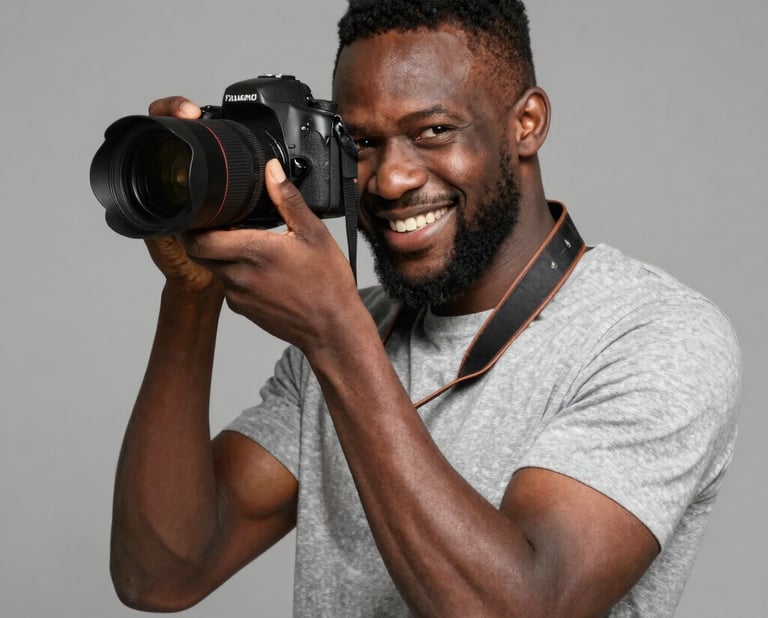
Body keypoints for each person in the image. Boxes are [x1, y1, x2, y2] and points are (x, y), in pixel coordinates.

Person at [108, 1, 741, 616]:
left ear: (527, 123)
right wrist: (191, 297)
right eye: (361, 142)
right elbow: (160, 574)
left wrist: (337, 338)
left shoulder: (652, 335)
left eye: (433, 131)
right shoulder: (352, 328)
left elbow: (523, 609)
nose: (390, 179)